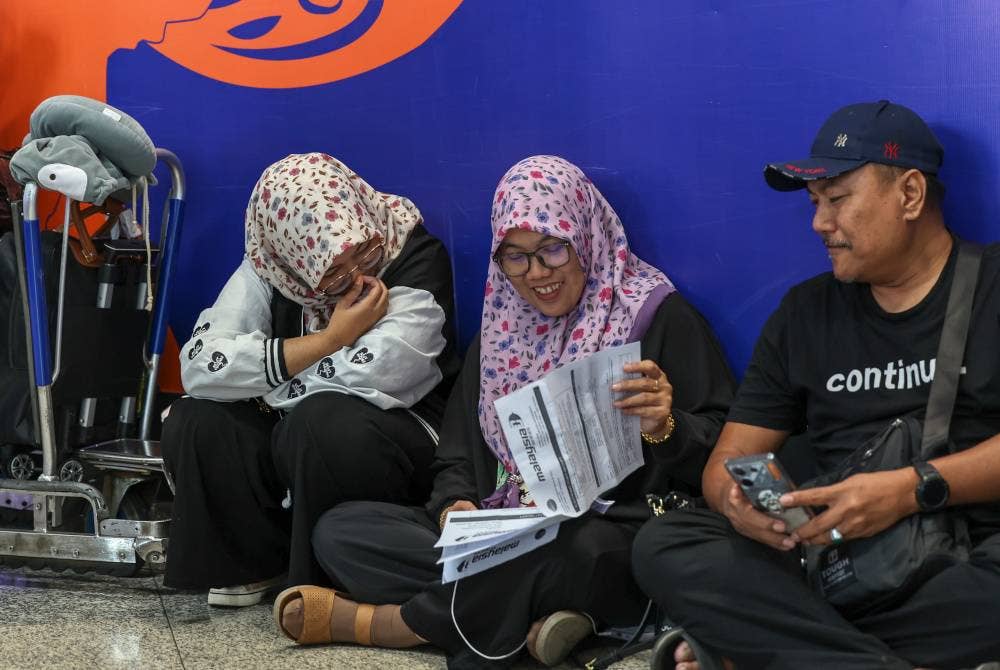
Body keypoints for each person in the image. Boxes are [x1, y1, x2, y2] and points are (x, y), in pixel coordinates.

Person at [270, 155, 736, 669]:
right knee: (343, 530)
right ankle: (553, 618)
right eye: (515, 257)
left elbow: (723, 455)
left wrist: (665, 426)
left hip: (604, 529)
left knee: (577, 549)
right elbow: (456, 457)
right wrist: (456, 506)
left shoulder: (656, 317)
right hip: (503, 527)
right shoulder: (499, 336)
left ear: (584, 236)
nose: (536, 274)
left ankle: (395, 625)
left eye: (552, 250)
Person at [633, 101, 1000, 669]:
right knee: (666, 544)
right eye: (814, 204)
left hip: (968, 554)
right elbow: (724, 464)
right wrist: (739, 507)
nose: (819, 224)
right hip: (833, 561)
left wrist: (907, 490)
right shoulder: (806, 312)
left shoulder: (993, 286)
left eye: (837, 200)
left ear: (909, 195)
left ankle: (760, 650)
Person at [161, 152, 460, 605]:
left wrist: (261, 384)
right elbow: (200, 365)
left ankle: (325, 580)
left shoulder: (411, 253)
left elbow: (379, 369)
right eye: (334, 276)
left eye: (363, 251)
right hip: (296, 418)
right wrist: (330, 339)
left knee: (322, 420)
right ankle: (251, 563)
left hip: (402, 428)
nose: (359, 278)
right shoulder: (272, 266)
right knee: (199, 415)